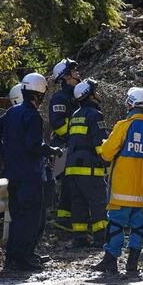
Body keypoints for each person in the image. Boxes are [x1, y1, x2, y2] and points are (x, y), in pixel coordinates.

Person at [0, 73, 62, 272]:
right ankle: (23, 258)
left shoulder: (12, 112)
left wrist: (4, 153)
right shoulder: (33, 116)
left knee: (17, 217)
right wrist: (52, 150)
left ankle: (12, 258)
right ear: (39, 95)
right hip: (31, 176)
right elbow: (34, 145)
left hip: (12, 173)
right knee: (30, 219)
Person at [92, 87, 143, 277]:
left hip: (122, 189)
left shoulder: (124, 126)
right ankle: (132, 265)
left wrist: (105, 143)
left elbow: (106, 154)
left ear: (130, 104)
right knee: (138, 226)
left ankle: (111, 262)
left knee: (116, 225)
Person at [65, 78, 109, 247]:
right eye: (95, 91)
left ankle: (80, 238)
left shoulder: (75, 115)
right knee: (98, 202)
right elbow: (100, 144)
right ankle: (101, 238)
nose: (97, 94)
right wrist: (107, 161)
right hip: (89, 168)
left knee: (79, 203)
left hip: (72, 167)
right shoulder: (95, 115)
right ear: (89, 95)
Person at [48, 57, 80, 232]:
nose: (78, 74)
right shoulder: (60, 98)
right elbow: (59, 125)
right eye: (74, 71)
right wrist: (78, 134)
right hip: (64, 148)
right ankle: (63, 220)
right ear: (66, 76)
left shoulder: (77, 96)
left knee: (74, 183)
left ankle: (71, 219)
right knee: (67, 184)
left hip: (74, 146)